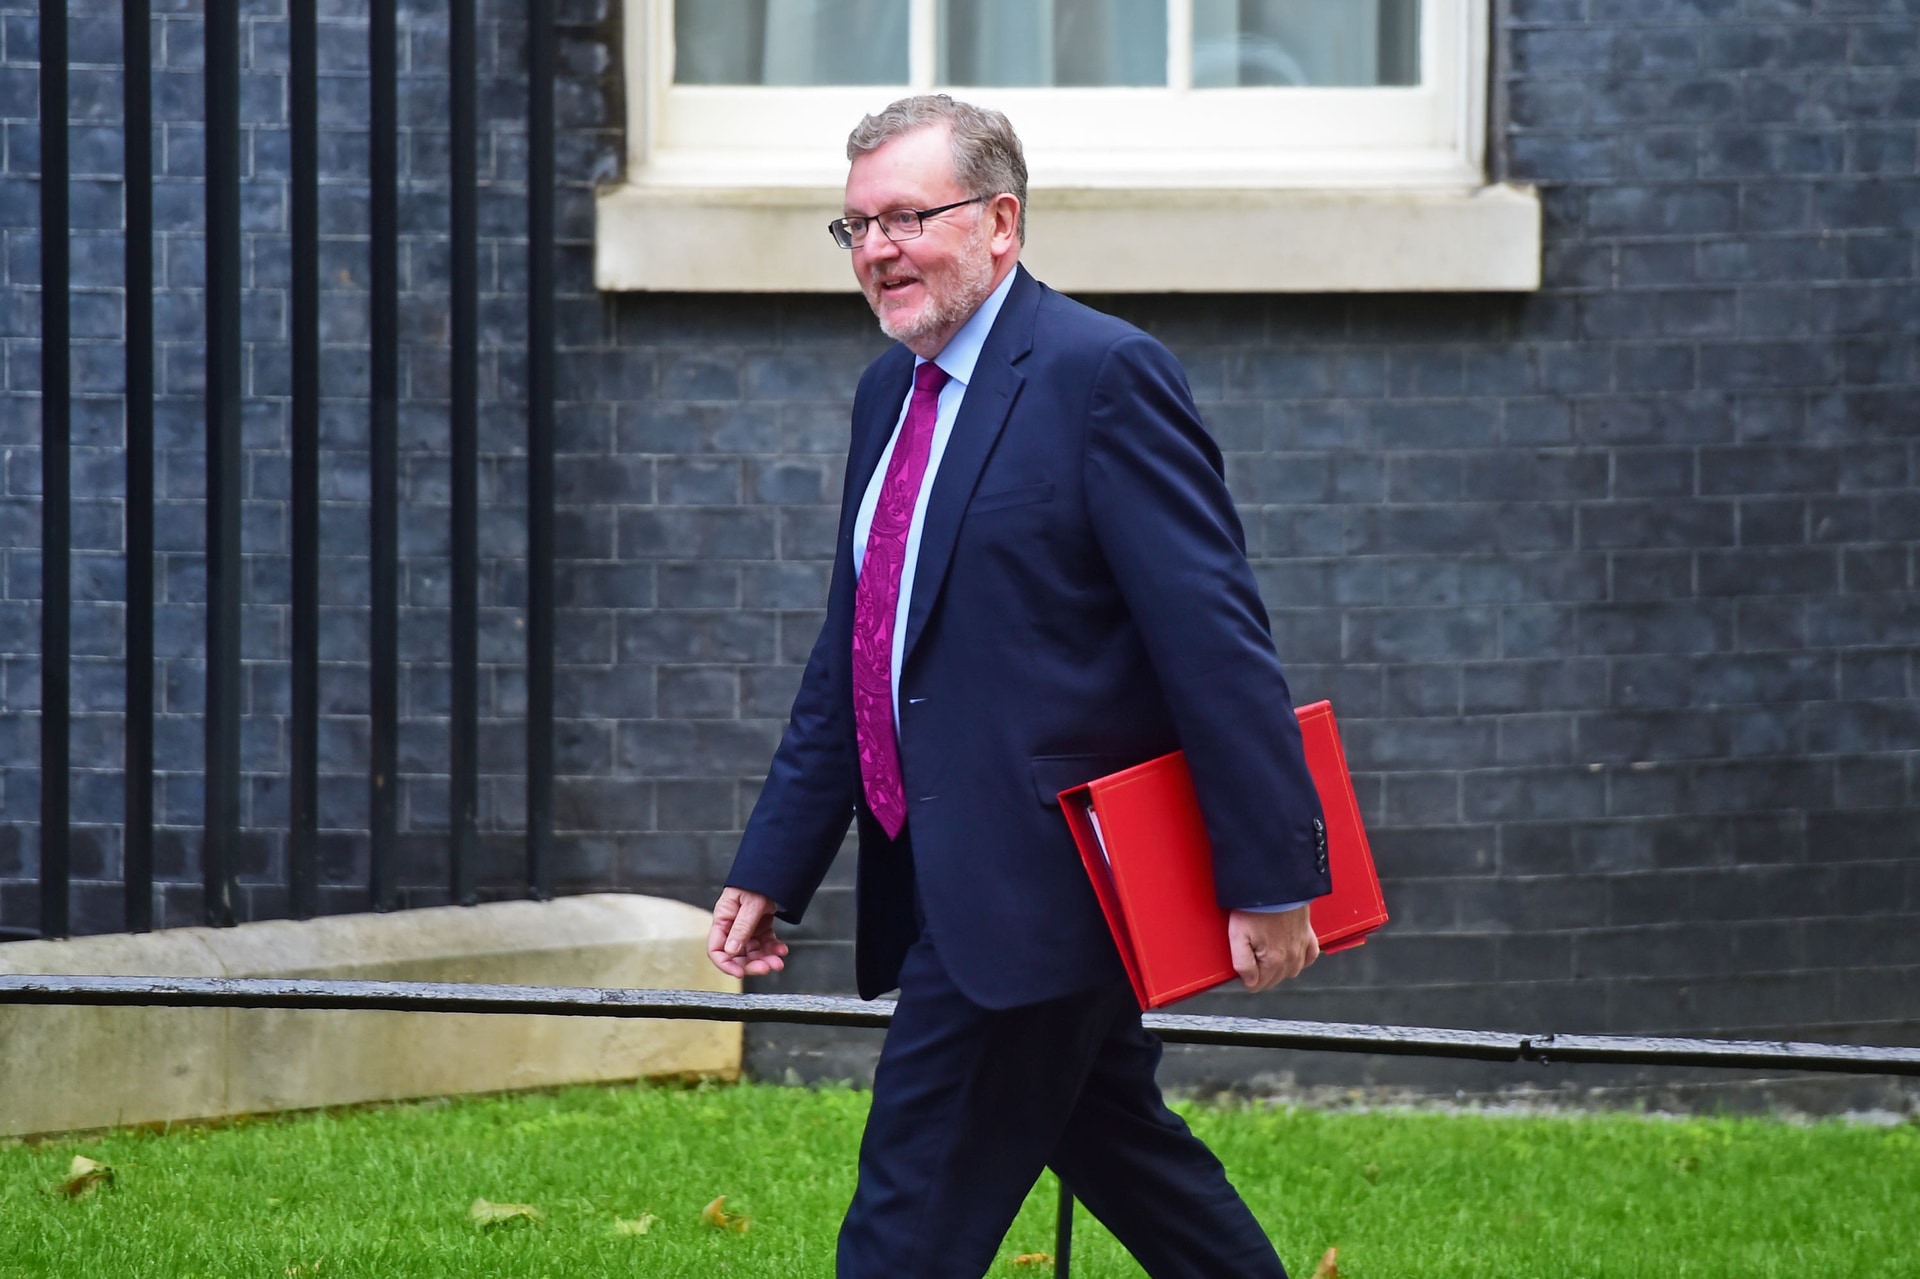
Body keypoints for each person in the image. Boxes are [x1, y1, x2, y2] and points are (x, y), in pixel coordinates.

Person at [707, 94, 1332, 1279]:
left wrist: (1273, 875)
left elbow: (1216, 643)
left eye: (906, 217)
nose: (878, 250)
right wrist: (774, 861)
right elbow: (865, 641)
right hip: (948, 878)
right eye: (856, 228)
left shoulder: (1103, 375)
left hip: (1050, 890)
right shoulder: (888, 397)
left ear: (1001, 221)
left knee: (905, 1221)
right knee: (1125, 1152)